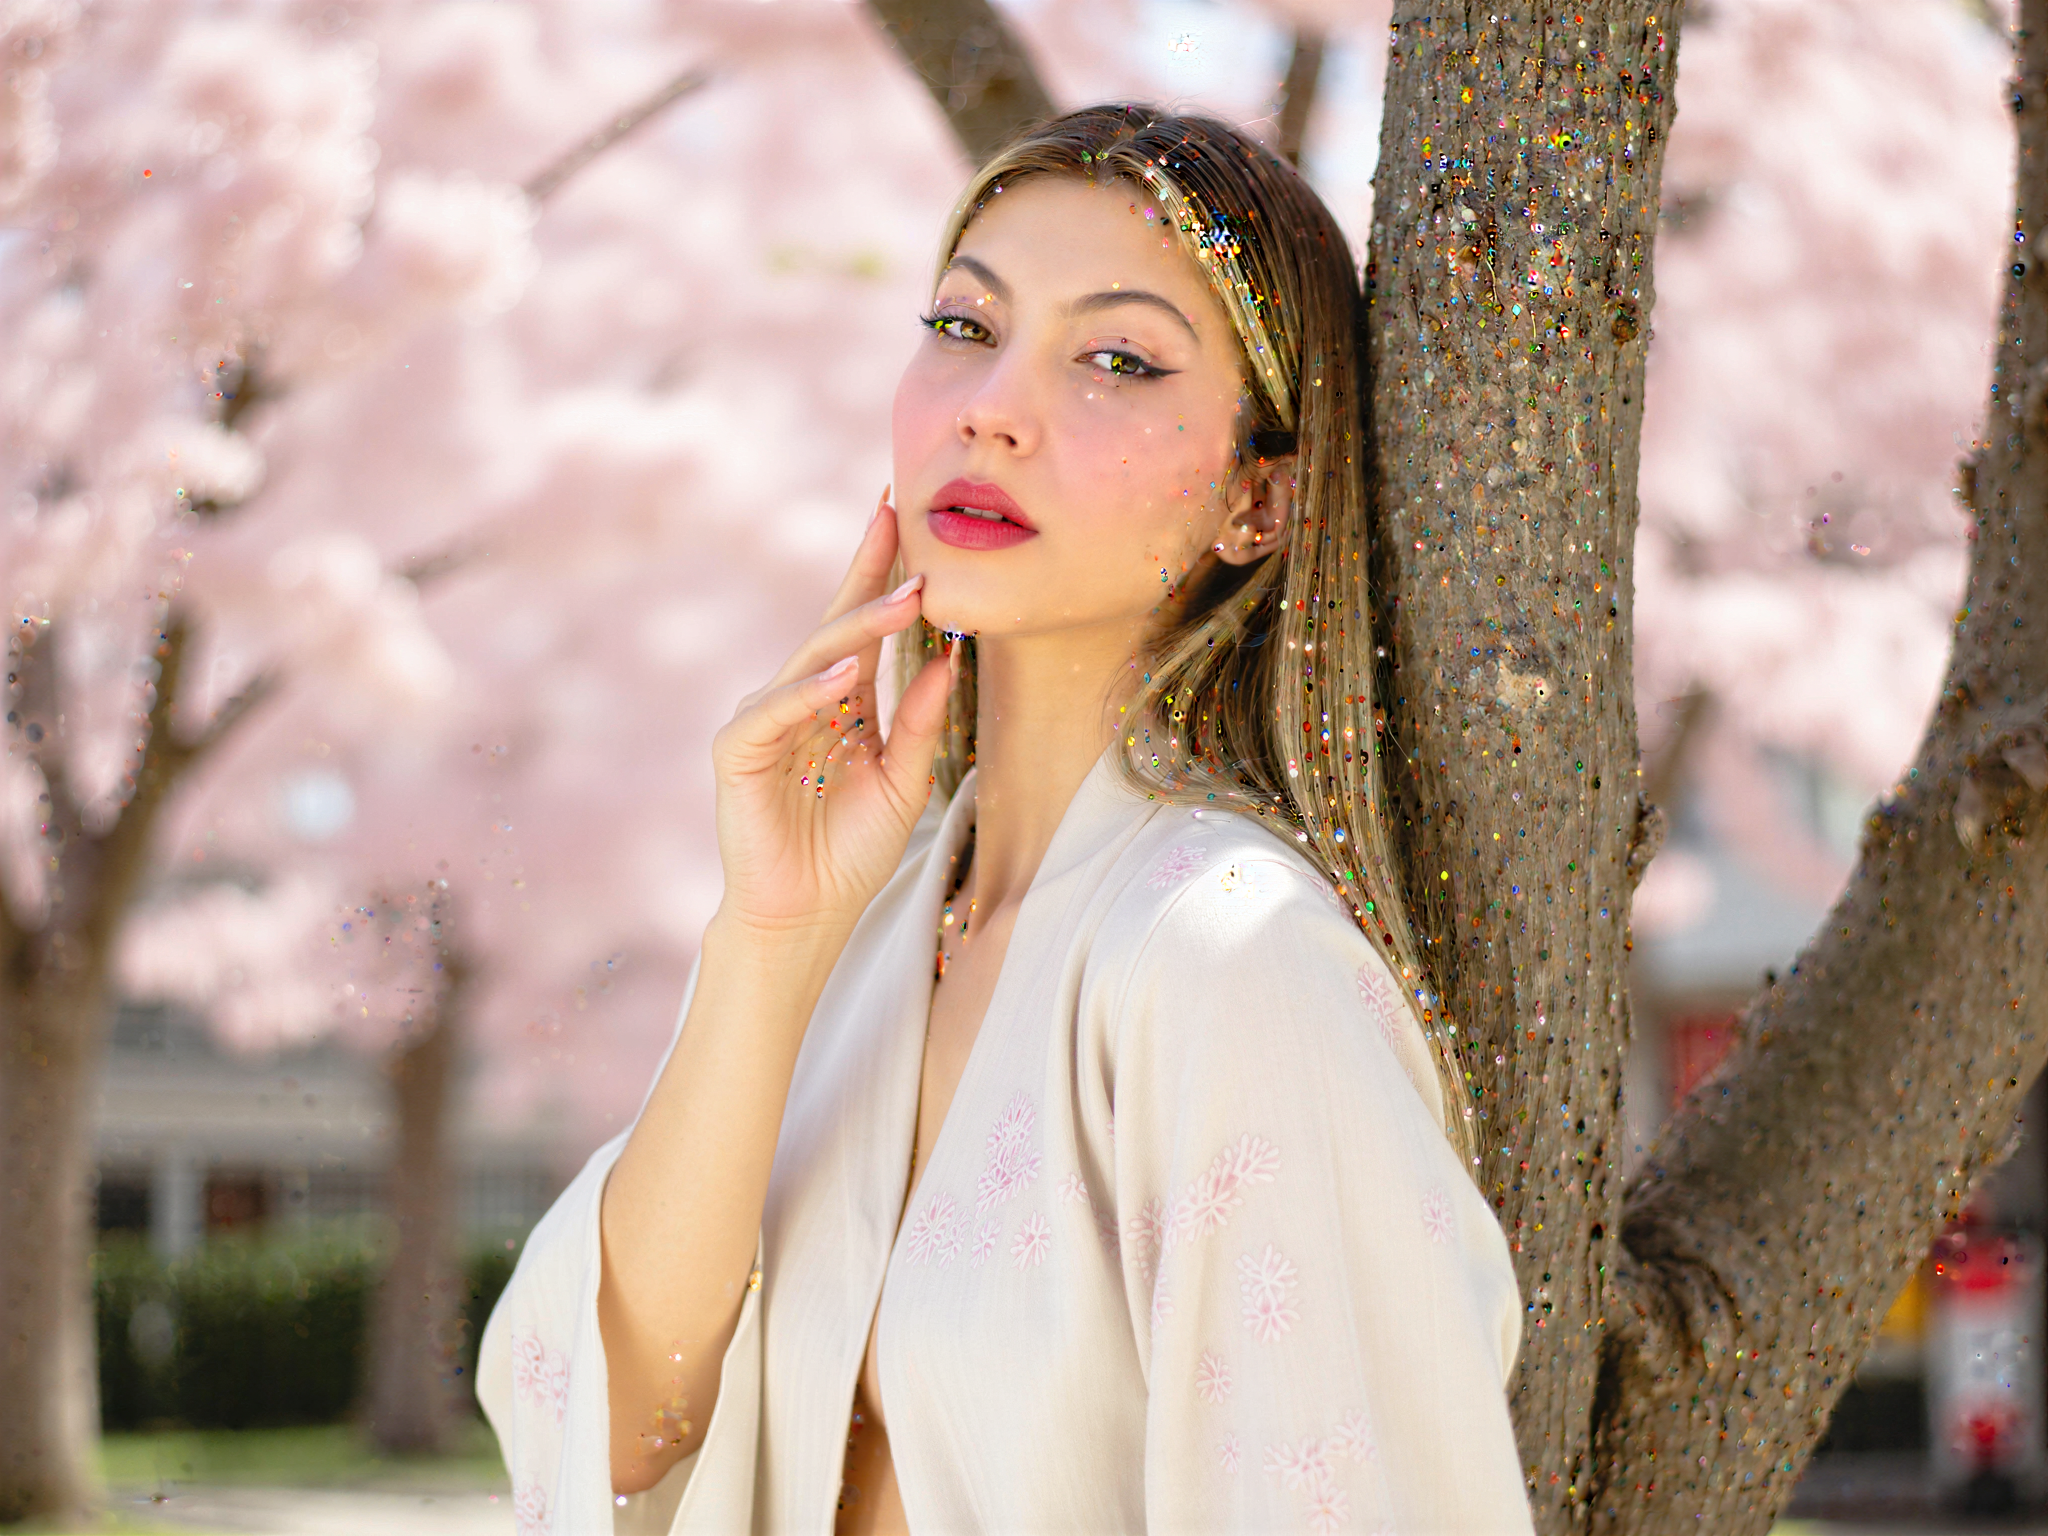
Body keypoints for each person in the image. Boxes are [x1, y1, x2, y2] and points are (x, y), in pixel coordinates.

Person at [479, 103, 1533, 1535]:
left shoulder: (1233, 961)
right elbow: (618, 1413)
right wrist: (769, 947)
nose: (994, 406)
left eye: (1117, 358)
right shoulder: (873, 930)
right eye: (966, 327)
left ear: (1260, 498)